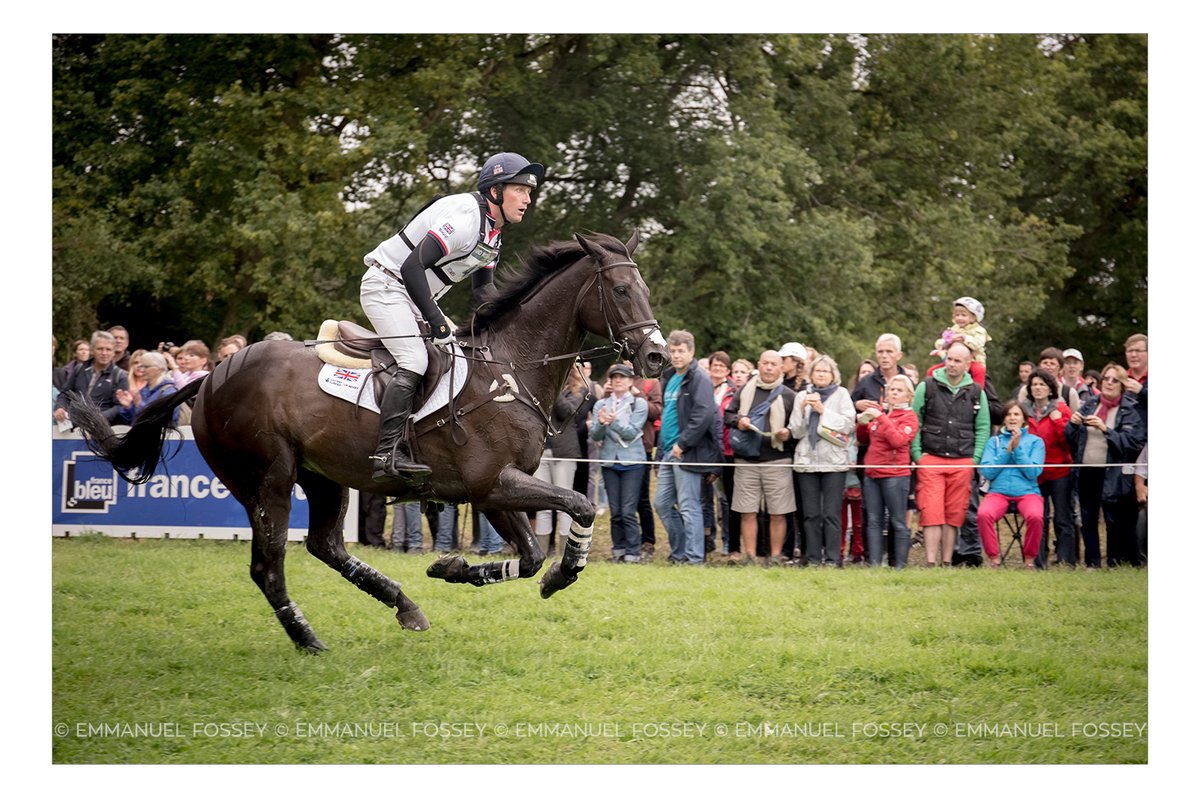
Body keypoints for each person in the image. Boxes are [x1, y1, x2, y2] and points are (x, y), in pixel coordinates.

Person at [360, 151, 544, 482]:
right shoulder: (465, 219)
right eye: (520, 190)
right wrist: (437, 321)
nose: (527, 199)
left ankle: (428, 446)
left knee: (459, 360)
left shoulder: (493, 233)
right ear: (495, 192)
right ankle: (384, 454)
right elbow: (411, 267)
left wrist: (520, 323)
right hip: (386, 285)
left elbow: (483, 291)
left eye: (529, 192)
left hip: (412, 296)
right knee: (415, 361)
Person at [910, 343, 990, 567]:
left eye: (957, 361)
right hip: (931, 458)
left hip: (962, 460)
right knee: (931, 512)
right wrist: (917, 455)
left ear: (968, 364)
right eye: (949, 359)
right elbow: (914, 420)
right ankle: (930, 561)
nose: (952, 364)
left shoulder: (976, 392)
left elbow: (983, 427)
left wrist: (974, 460)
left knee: (954, 514)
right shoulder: (926, 386)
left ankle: (947, 561)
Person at [1066, 363, 1147, 568]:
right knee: (1088, 517)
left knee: (1113, 520)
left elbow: (1133, 444)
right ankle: (1092, 563)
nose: (1109, 383)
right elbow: (1070, 439)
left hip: (1113, 473)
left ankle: (1114, 562)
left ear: (1122, 385)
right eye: (1106, 379)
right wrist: (1073, 424)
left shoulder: (1129, 410)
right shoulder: (1089, 404)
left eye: (1114, 380)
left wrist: (1106, 430)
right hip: (1086, 470)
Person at [653, 330, 721, 565]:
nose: (676, 355)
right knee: (661, 503)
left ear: (691, 352)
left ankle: (694, 559)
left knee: (689, 506)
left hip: (686, 452)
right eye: (672, 351)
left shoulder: (699, 378)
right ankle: (679, 551)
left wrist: (683, 443)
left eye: (681, 351)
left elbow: (704, 414)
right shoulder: (669, 377)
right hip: (668, 452)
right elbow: (668, 416)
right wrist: (663, 450)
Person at [726, 349, 797, 566]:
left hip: (778, 460)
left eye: (773, 364)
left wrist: (788, 433)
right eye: (765, 363)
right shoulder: (745, 390)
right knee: (747, 511)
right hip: (746, 460)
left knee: (778, 512)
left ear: (781, 368)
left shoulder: (788, 395)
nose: (768, 367)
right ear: (759, 364)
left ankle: (775, 557)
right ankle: (749, 556)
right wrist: (739, 421)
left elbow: (798, 428)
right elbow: (728, 415)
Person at [789, 355, 856, 566]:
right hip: (806, 462)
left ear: (833, 375)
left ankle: (833, 558)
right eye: (817, 371)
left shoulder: (842, 394)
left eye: (825, 371)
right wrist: (801, 411)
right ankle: (813, 558)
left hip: (833, 462)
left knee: (831, 513)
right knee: (810, 514)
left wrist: (822, 411)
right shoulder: (801, 396)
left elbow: (848, 425)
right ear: (811, 374)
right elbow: (796, 431)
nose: (821, 374)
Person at [857, 374, 919, 568]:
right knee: (873, 521)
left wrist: (881, 417)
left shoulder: (909, 417)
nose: (894, 393)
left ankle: (899, 565)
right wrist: (862, 422)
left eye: (899, 390)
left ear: (909, 397)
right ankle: (874, 565)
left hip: (895, 476)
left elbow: (898, 441)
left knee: (898, 521)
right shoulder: (883, 414)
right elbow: (864, 439)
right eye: (892, 389)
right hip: (872, 474)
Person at [591, 363, 649, 563]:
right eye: (614, 377)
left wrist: (612, 421)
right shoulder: (601, 404)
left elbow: (632, 432)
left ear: (630, 381)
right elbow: (595, 435)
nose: (618, 380)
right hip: (609, 462)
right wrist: (600, 423)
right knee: (615, 512)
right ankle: (618, 551)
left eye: (622, 377)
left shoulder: (638, 404)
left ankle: (633, 553)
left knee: (627, 511)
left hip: (633, 462)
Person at [977, 401, 1045, 569]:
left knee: (1036, 516)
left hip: (1028, 492)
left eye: (1016, 414)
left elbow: (1033, 473)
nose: (1012, 418)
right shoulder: (994, 442)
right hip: (998, 492)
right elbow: (988, 472)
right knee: (983, 514)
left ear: (1024, 420)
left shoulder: (1036, 442)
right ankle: (994, 559)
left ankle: (1029, 560)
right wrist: (1007, 451)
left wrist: (1017, 449)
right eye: (1008, 415)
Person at [533, 367, 593, 556]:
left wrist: (553, 386)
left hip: (564, 452)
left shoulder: (580, 390)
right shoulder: (542, 387)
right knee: (542, 506)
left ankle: (565, 555)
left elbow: (566, 411)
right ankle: (541, 552)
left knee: (565, 506)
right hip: (542, 449)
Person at [1022, 368, 1076, 568]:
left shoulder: (1061, 410)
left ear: (1050, 388)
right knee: (1038, 519)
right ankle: (1038, 562)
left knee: (1063, 518)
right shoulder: (1024, 411)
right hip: (1034, 475)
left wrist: (1057, 421)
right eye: (1034, 384)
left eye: (1042, 384)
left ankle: (1066, 562)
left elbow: (1069, 441)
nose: (1038, 388)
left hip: (1060, 472)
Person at [54, 330, 129, 427]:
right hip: (72, 428)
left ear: (114, 352)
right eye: (100, 349)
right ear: (92, 350)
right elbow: (65, 393)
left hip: (101, 431)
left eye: (108, 349)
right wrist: (61, 407)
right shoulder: (79, 369)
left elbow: (120, 406)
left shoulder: (120, 375)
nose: (104, 353)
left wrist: (100, 417)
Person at [704, 351, 738, 555]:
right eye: (714, 365)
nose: (717, 369)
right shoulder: (702, 387)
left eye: (722, 366)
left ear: (728, 369)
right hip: (706, 451)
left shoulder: (734, 391)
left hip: (728, 450)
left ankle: (728, 540)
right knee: (705, 498)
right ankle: (708, 538)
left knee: (725, 499)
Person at [929, 297, 989, 386]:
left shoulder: (979, 331)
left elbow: (978, 344)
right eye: (957, 315)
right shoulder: (953, 329)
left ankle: (977, 393)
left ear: (973, 317)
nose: (959, 318)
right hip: (953, 361)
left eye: (963, 315)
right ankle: (929, 392)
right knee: (932, 371)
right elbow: (939, 343)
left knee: (979, 370)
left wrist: (965, 338)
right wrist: (949, 341)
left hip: (973, 360)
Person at [113, 350, 178, 426]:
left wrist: (139, 404)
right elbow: (131, 421)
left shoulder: (168, 393)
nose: (141, 369)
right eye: (141, 366)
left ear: (159, 369)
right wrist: (128, 407)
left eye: (146, 366)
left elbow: (157, 423)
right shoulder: (144, 390)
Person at [1017, 347, 1081, 413]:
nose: (1048, 367)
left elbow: (1076, 420)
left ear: (1060, 369)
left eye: (1052, 364)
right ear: (1039, 366)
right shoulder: (1026, 390)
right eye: (1045, 363)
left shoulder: (1069, 393)